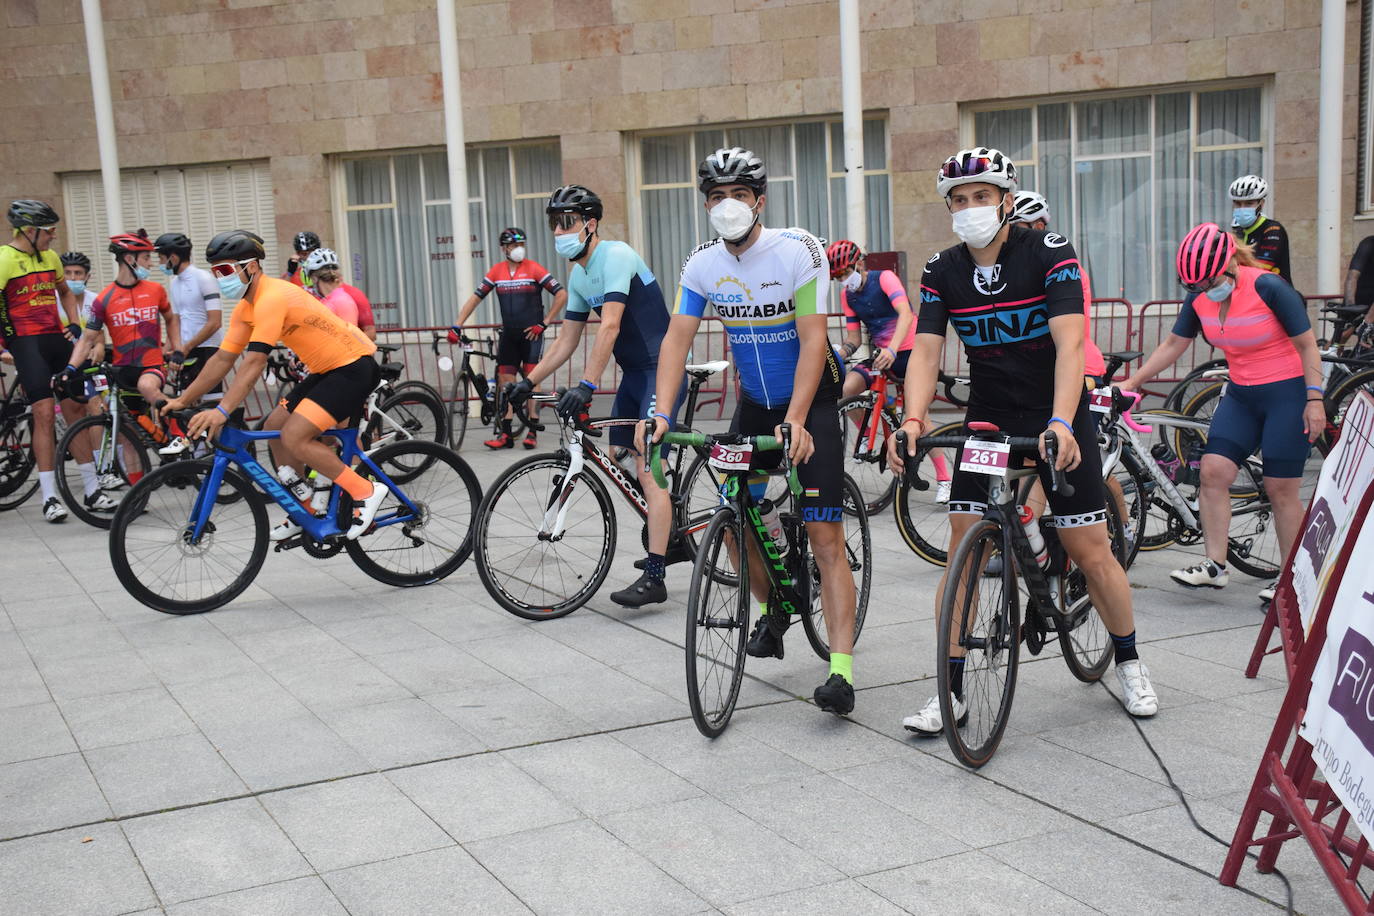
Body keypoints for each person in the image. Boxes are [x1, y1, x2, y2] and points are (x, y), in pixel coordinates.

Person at [888, 147, 1158, 732]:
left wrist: (1063, 421)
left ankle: (1131, 662)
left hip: (1055, 411)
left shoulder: (1049, 255)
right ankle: (951, 690)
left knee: (1090, 550)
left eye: (981, 197)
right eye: (958, 200)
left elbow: (1069, 346)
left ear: (1006, 202)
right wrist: (912, 419)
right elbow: (927, 350)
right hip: (989, 416)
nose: (969, 208)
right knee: (964, 554)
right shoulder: (942, 270)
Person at [644, 147, 859, 716]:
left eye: (738, 194)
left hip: (810, 400)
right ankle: (774, 608)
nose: (727, 206)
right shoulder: (701, 264)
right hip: (756, 403)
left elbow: (814, 339)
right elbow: (675, 341)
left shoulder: (797, 250)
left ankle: (840, 670)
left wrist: (796, 419)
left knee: (825, 539)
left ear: (759, 200)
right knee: (734, 517)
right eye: (716, 197)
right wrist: (662, 414)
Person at [1121, 223, 1322, 603]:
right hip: (1241, 395)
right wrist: (1133, 382)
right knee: (1213, 472)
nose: (1201, 289)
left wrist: (1314, 400)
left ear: (1230, 263)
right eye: (1192, 285)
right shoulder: (1199, 297)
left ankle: (1292, 578)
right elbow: (1174, 343)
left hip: (1288, 394)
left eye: (1208, 280)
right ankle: (1214, 566)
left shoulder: (1269, 287)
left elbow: (1308, 346)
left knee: (1281, 488)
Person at [506, 186, 684, 607]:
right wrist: (528, 382)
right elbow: (566, 341)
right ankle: (666, 521)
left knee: (646, 466)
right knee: (618, 454)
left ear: (590, 223)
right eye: (554, 223)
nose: (558, 231)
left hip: (662, 370)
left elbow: (610, 327)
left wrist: (586, 385)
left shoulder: (617, 255)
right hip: (634, 375)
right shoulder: (580, 275)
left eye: (566, 222)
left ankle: (656, 574)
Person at [160, 230, 385, 541]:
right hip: (325, 369)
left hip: (353, 366)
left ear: (250, 267)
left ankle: (366, 490)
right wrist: (184, 400)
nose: (219, 278)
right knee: (275, 428)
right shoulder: (245, 308)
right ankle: (303, 509)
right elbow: (223, 359)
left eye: (225, 270)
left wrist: (223, 411)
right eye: (215, 272)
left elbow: (253, 363)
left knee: (295, 434)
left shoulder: (272, 297)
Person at [63, 231, 180, 510]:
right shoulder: (104, 299)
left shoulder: (156, 290)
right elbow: (87, 339)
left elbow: (171, 318)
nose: (150, 263)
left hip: (151, 366)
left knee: (147, 387)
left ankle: (178, 435)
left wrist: (177, 347)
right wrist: (69, 368)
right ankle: (139, 497)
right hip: (123, 370)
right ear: (129, 259)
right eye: (145, 257)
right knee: (128, 439)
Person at [0, 200, 87, 521]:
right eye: (49, 231)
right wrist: (6, 343)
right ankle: (50, 496)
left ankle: (92, 487)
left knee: (77, 407)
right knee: (44, 413)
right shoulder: (4, 259)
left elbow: (64, 292)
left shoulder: (50, 258)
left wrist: (74, 323)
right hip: (25, 340)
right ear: (30, 230)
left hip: (54, 337)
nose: (53, 236)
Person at [449, 228, 567, 449]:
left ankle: (532, 430)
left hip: (532, 334)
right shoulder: (497, 271)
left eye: (521, 244)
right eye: (513, 246)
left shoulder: (534, 269)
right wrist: (457, 324)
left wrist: (545, 322)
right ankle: (506, 433)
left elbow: (561, 294)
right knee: (506, 383)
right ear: (504, 249)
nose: (518, 249)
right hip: (509, 335)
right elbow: (475, 299)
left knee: (532, 381)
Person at [828, 239, 915, 399]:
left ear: (859, 264)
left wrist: (892, 349)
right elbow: (854, 339)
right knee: (845, 390)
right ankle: (870, 422)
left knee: (916, 416)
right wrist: (835, 358)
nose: (843, 281)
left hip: (911, 353)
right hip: (882, 357)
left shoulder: (885, 278)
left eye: (845, 273)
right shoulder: (847, 296)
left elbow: (906, 314)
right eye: (837, 277)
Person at [154, 233, 223, 407]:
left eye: (162, 259)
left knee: (210, 406)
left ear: (173, 258)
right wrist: (167, 350)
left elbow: (215, 322)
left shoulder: (204, 278)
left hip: (207, 350)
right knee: (186, 407)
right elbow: (175, 321)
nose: (160, 264)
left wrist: (186, 347)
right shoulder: (174, 283)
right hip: (185, 351)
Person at [301, 247, 378, 341]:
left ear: (314, 278)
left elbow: (370, 333)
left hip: (352, 353)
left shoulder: (353, 295)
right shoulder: (311, 297)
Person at [1229, 175, 1291, 285]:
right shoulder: (1238, 231)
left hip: (1274, 294)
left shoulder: (1273, 229)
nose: (1242, 208)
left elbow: (1260, 269)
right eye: (1238, 204)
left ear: (1261, 204)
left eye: (1249, 203)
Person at [1345, 233, 1374, 347]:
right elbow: (1352, 276)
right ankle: (1326, 362)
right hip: (1360, 297)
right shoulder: (1368, 244)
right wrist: (1350, 307)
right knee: (1343, 335)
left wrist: (1367, 321)